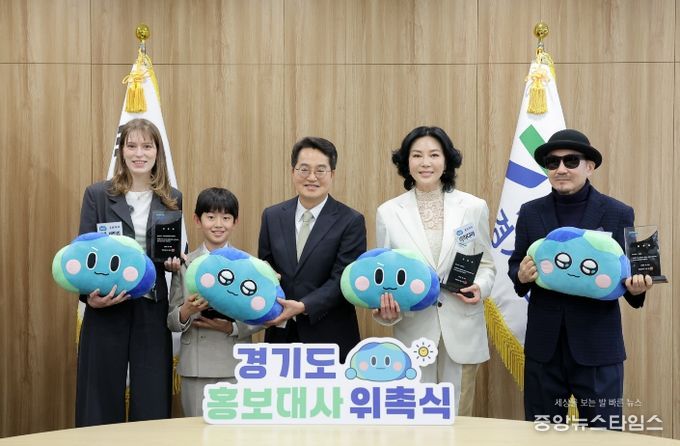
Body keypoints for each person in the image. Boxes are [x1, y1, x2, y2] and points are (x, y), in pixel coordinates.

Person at [508, 128, 653, 429]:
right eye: (553, 162)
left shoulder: (618, 213)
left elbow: (631, 273)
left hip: (598, 347)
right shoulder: (530, 212)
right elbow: (516, 265)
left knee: (603, 434)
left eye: (571, 161)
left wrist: (638, 288)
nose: (561, 169)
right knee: (541, 434)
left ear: (590, 166)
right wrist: (521, 275)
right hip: (544, 348)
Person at [373, 126, 496, 416]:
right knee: (417, 413)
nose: (425, 163)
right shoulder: (388, 213)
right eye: (417, 155)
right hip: (414, 326)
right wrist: (387, 311)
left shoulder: (473, 207)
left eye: (434, 155)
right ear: (406, 162)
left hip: (462, 325)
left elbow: (486, 264)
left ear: (447, 160)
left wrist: (479, 287)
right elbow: (386, 276)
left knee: (458, 417)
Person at [76, 118, 182, 426]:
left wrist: (174, 263)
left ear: (157, 152)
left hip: (152, 306)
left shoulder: (171, 196)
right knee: (98, 395)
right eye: (131, 146)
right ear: (121, 151)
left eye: (147, 146)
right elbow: (84, 255)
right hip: (106, 303)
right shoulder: (98, 195)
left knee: (152, 397)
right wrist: (89, 298)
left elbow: (171, 250)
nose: (139, 153)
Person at [258, 136, 366, 362]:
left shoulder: (350, 221)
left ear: (332, 174)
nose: (311, 177)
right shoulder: (272, 216)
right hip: (281, 334)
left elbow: (343, 279)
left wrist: (304, 306)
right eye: (304, 169)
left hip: (330, 335)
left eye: (320, 170)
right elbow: (266, 269)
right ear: (293, 171)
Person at [167, 187, 260, 417]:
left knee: (235, 433)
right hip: (196, 367)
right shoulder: (185, 264)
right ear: (197, 220)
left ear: (235, 222)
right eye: (211, 217)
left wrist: (233, 327)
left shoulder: (249, 265)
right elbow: (171, 321)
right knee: (196, 432)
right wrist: (186, 310)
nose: (218, 224)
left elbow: (262, 312)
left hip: (235, 363)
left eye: (226, 218)